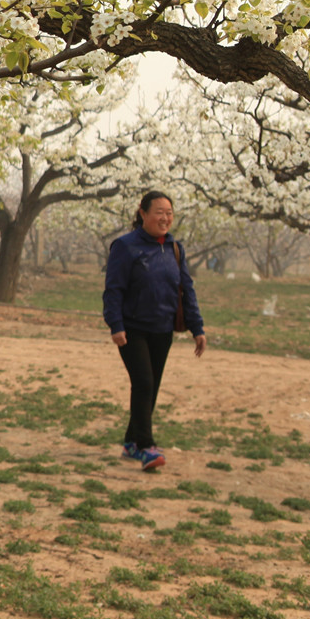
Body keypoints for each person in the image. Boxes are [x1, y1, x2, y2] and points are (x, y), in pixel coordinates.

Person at [103, 191, 206, 472]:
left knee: (150, 387)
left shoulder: (174, 248)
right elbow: (114, 289)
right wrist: (116, 324)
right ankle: (147, 447)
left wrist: (197, 328)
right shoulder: (125, 247)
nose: (165, 218)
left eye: (169, 212)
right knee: (144, 383)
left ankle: (130, 442)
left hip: (163, 329)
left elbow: (186, 289)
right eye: (159, 212)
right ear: (143, 213)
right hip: (133, 329)